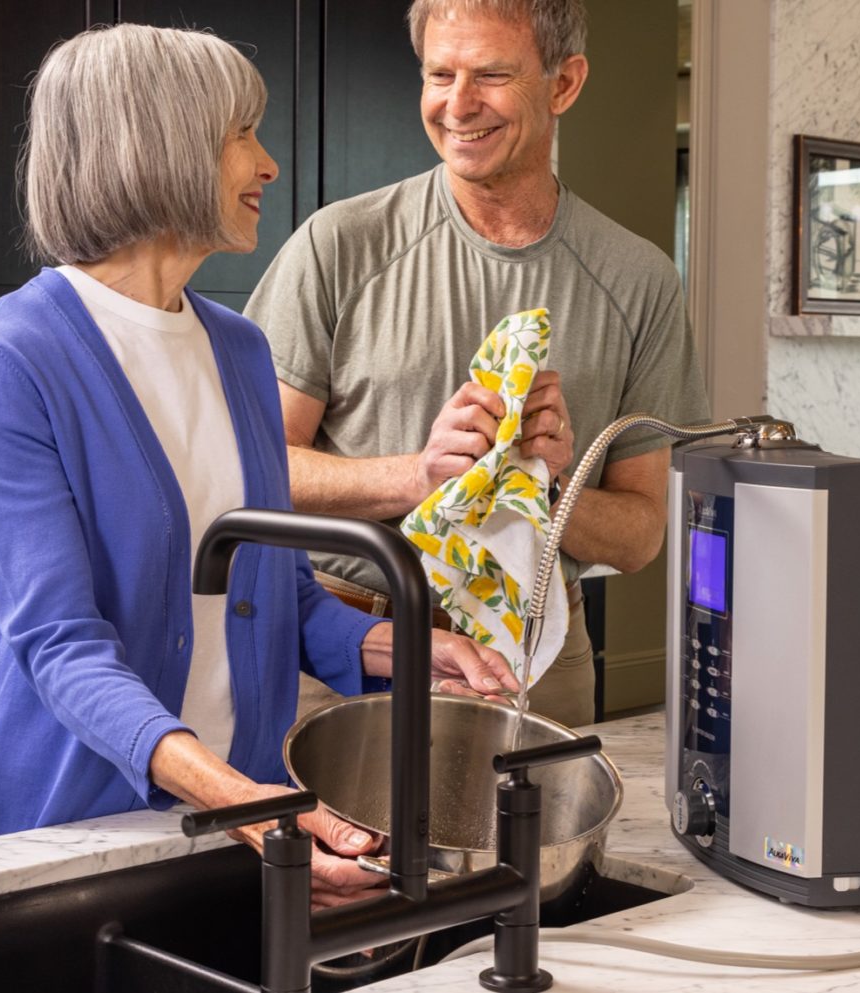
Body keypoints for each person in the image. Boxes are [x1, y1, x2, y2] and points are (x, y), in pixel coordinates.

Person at [0, 23, 517, 908]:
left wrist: (405, 646)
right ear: (161, 147)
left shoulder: (242, 348)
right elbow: (59, 642)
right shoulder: (14, 356)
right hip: (61, 834)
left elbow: (278, 595)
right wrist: (239, 800)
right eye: (241, 135)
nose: (268, 165)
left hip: (226, 818)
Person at [245, 0, 710, 727]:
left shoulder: (638, 281)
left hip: (534, 660)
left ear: (564, 84)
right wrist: (419, 474)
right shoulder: (338, 246)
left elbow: (644, 532)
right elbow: (251, 468)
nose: (458, 106)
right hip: (348, 650)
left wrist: (546, 488)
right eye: (440, 74)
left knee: (538, 847)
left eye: (491, 75)